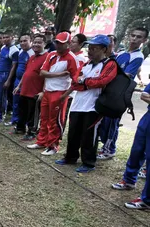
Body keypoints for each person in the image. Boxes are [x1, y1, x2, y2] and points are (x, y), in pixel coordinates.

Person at [55, 35, 118, 173]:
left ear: (103, 49)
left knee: (89, 135)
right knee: (73, 133)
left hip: (93, 106)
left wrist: (84, 82)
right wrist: (85, 82)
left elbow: (102, 81)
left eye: (94, 48)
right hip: (78, 104)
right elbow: (75, 81)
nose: (90, 51)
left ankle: (88, 162)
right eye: (89, 47)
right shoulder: (86, 64)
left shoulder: (110, 64)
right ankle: (70, 157)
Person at [98, 27, 149, 160]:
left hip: (119, 95)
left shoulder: (138, 56)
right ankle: (103, 145)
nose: (134, 39)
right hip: (109, 91)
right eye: (133, 35)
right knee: (104, 121)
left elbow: (126, 76)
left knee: (112, 122)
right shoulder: (122, 54)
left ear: (144, 40)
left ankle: (109, 149)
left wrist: (108, 76)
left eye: (139, 37)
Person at [27, 31, 79, 155]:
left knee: (55, 121)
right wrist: (60, 74)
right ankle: (42, 141)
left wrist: (65, 95)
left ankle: (53, 146)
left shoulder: (72, 58)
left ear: (68, 43)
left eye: (61, 43)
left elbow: (76, 80)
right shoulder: (51, 55)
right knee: (44, 118)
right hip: (47, 91)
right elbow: (42, 73)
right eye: (57, 42)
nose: (58, 45)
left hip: (60, 92)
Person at [111, 83, 150, 210]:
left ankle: (147, 200)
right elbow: (144, 95)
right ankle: (128, 180)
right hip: (148, 118)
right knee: (137, 150)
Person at [13, 34, 48, 140]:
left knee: (33, 113)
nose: (36, 44)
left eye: (39, 42)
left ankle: (31, 132)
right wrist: (19, 86)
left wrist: (43, 91)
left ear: (44, 44)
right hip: (24, 89)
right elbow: (26, 72)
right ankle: (20, 128)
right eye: (35, 42)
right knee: (22, 110)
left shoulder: (47, 57)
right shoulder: (32, 57)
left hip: (35, 91)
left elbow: (47, 76)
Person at [6, 33, 34, 126]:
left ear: (31, 41)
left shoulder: (32, 54)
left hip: (26, 82)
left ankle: (23, 122)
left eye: (25, 41)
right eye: (21, 41)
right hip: (17, 80)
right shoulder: (20, 51)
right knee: (15, 100)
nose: (22, 43)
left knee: (23, 103)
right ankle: (15, 120)